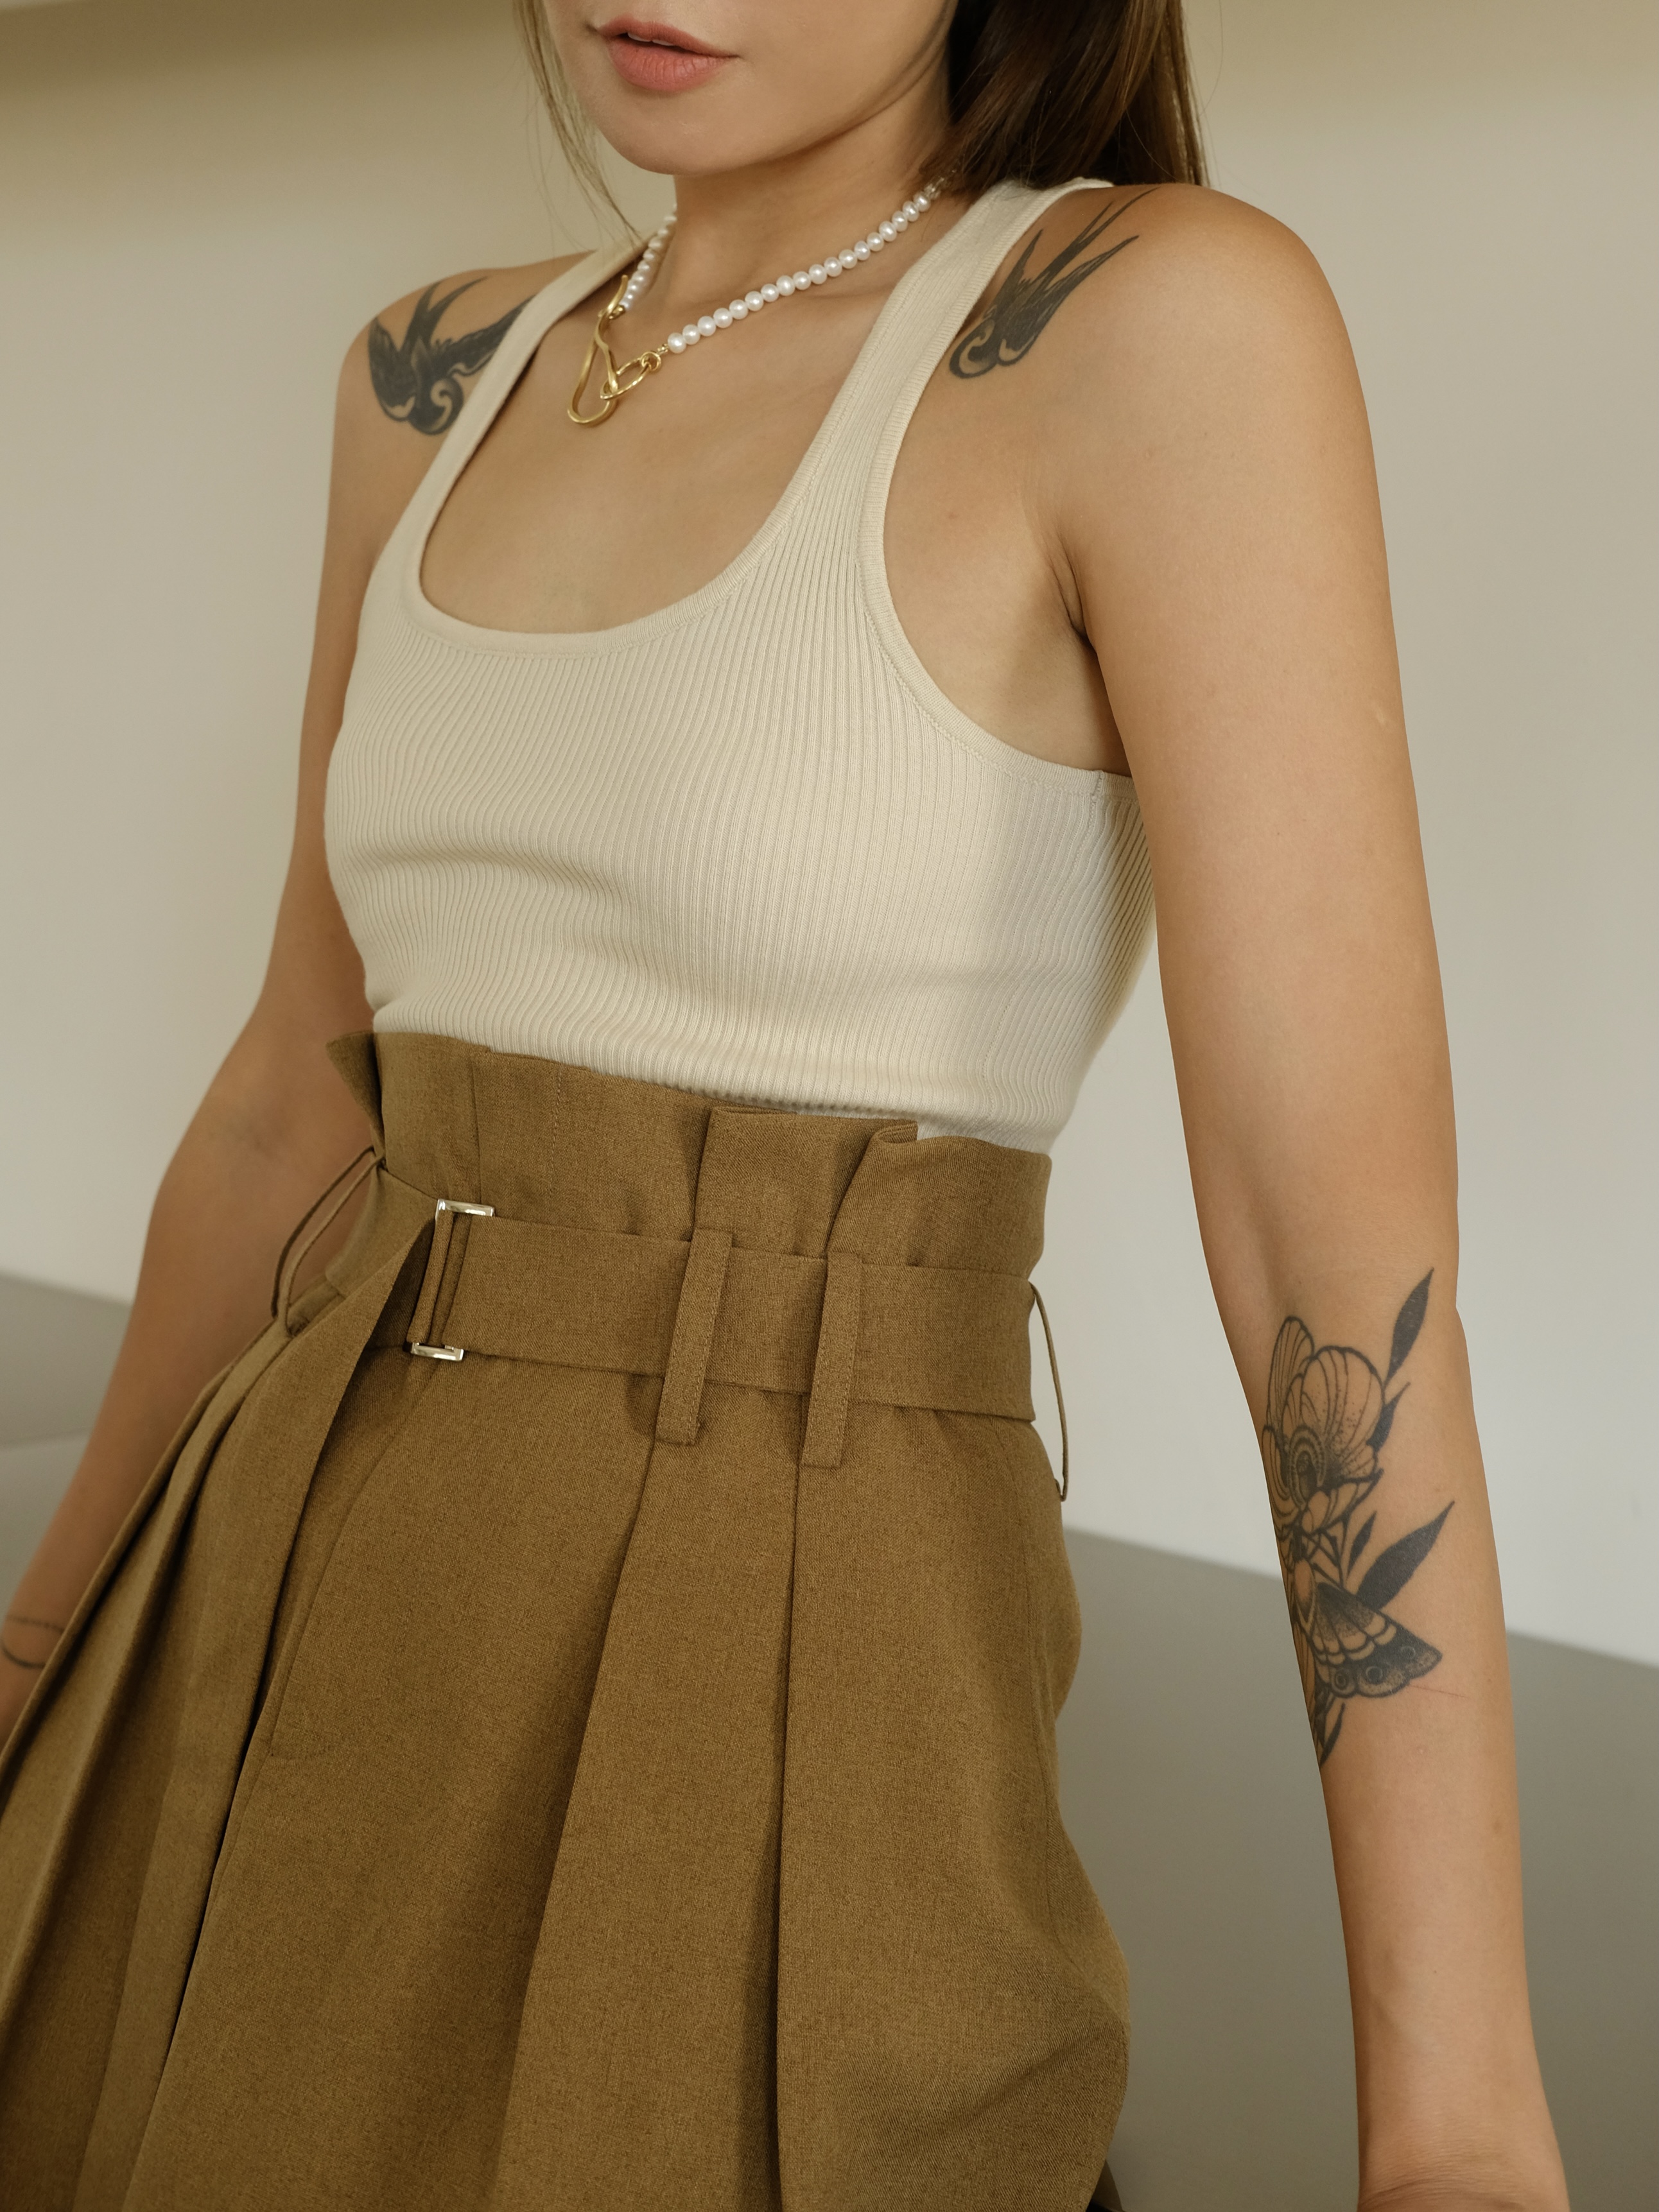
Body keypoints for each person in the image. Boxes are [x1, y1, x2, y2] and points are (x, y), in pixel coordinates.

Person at [0, 3, 1568, 2208]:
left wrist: (1458, 2129)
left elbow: (1339, 1260)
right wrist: (40, 1660)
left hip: (794, 1632)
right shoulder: (426, 375)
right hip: (265, 1598)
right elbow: (296, 1094)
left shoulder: (1147, 323)